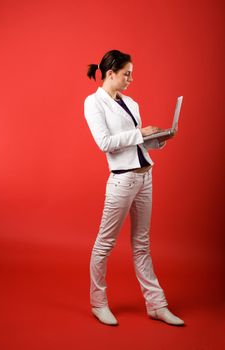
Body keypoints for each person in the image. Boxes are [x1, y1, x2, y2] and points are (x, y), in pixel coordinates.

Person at [84, 49, 184, 326]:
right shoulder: (94, 103)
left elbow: (136, 143)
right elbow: (105, 142)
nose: (130, 79)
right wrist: (141, 133)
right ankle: (98, 302)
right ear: (110, 73)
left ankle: (156, 304)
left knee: (142, 245)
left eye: (132, 74)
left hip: (145, 177)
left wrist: (160, 137)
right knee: (105, 244)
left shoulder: (131, 102)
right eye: (126, 74)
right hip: (121, 180)